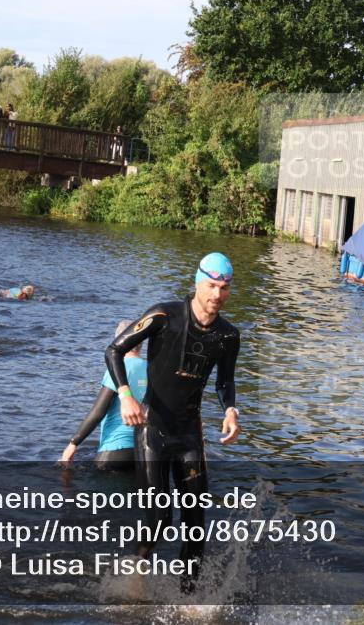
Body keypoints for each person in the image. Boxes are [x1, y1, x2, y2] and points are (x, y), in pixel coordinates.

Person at [104, 252, 241, 592]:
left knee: (196, 525)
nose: (216, 295)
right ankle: (134, 580)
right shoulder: (163, 315)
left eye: (224, 288)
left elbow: (224, 382)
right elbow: (113, 351)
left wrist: (230, 410)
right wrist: (124, 394)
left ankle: (188, 597)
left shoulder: (228, 335)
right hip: (153, 429)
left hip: (190, 436)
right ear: (197, 283)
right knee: (161, 520)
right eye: (211, 286)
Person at [60, 320, 146, 470]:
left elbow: (98, 411)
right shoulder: (152, 369)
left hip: (114, 450)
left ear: (118, 342)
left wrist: (73, 443)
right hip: (144, 453)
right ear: (141, 343)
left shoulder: (117, 369)